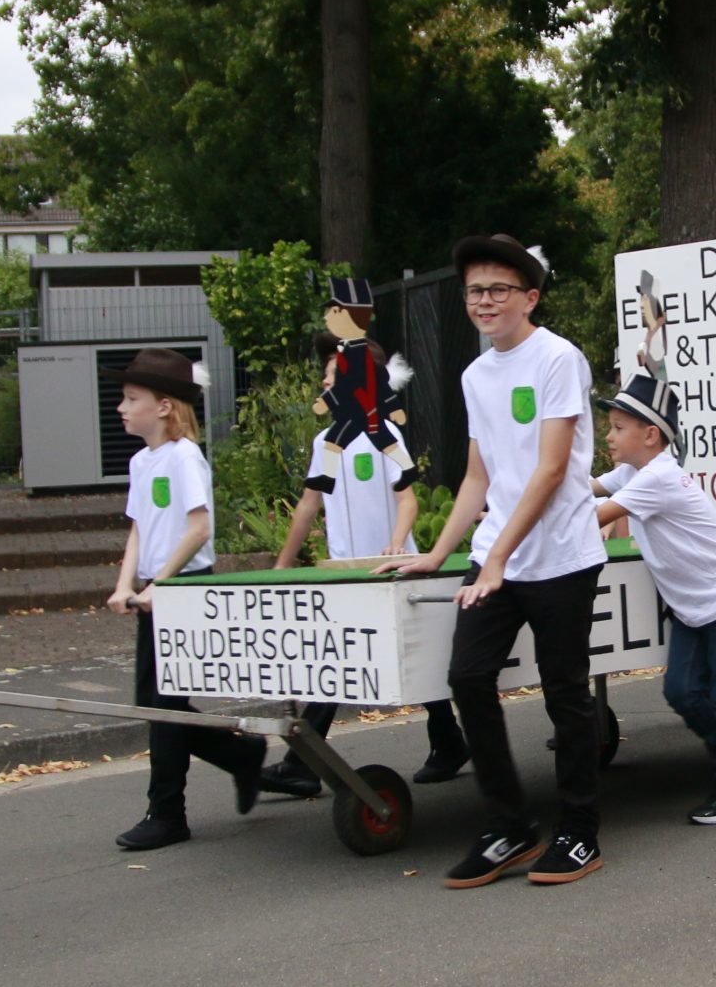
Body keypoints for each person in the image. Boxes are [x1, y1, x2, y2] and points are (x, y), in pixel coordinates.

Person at [386, 236, 609, 888]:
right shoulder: (475, 374)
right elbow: (478, 476)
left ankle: (579, 831)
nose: (484, 301)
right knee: (467, 676)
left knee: (565, 692)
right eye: (475, 291)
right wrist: (438, 553)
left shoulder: (558, 358)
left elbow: (551, 468)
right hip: (497, 555)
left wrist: (498, 559)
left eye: (498, 290)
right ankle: (509, 825)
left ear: (529, 298)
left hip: (561, 554)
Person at [277, 337, 469, 787]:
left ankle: (302, 765)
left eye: (333, 376)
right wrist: (284, 562)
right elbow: (308, 504)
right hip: (345, 576)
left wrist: (396, 543)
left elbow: (407, 500)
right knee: (340, 661)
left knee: (388, 657)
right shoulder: (325, 442)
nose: (325, 382)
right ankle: (447, 742)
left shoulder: (384, 434)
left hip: (387, 573)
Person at [106, 348, 268, 849]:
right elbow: (139, 529)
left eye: (131, 398)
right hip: (157, 590)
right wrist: (126, 584)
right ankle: (241, 755)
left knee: (164, 706)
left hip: (186, 588)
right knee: (155, 703)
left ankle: (167, 813)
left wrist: (163, 584)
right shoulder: (141, 461)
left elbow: (199, 529)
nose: (121, 407)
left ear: (163, 407)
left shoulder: (184, 457)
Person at [592, 375, 716, 824]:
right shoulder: (632, 472)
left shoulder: (659, 477)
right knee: (681, 691)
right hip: (692, 607)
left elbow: (594, 514)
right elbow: (584, 488)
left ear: (651, 435)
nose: (608, 436)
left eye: (618, 427)